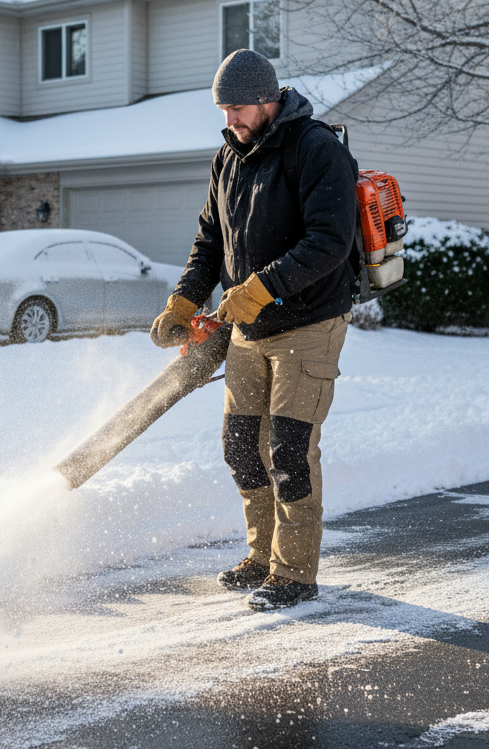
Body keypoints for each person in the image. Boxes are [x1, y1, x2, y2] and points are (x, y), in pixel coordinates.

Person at [150, 49, 357, 611]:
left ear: (269, 100)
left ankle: (294, 573)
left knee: (289, 450)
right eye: (223, 110)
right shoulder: (227, 158)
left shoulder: (317, 149)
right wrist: (185, 299)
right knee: (241, 446)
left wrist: (263, 287)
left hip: (309, 323)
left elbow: (330, 242)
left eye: (238, 109)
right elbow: (209, 241)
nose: (230, 121)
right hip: (246, 327)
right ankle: (261, 555)